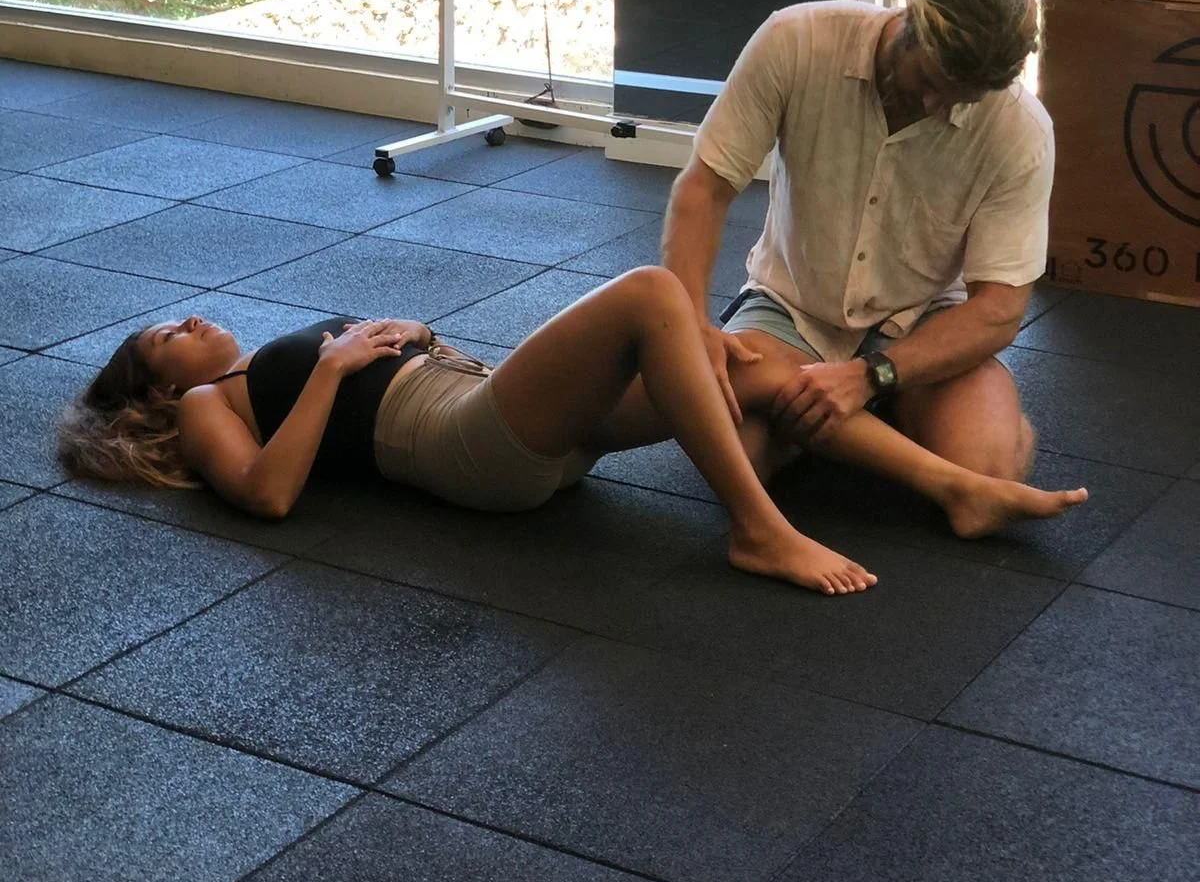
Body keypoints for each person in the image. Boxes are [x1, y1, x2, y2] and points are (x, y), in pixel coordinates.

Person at [57, 267, 1084, 599]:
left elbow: (395, 379)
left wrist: (413, 335)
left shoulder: (251, 366)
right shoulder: (207, 404)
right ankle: (758, 527)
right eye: (167, 337)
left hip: (483, 406)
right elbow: (270, 494)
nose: (190, 322)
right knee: (652, 293)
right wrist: (331, 367)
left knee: (748, 362)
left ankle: (952, 486)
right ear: (159, 387)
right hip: (463, 449)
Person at [661, 0, 1074, 498]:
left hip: (925, 319)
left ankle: (861, 410)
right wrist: (691, 324)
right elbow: (703, 190)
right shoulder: (797, 40)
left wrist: (872, 374)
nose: (934, 106)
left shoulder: (1021, 130)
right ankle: (860, 422)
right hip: (795, 308)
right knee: (729, 458)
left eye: (960, 99)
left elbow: (998, 310)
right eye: (928, 82)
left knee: (990, 468)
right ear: (908, 19)